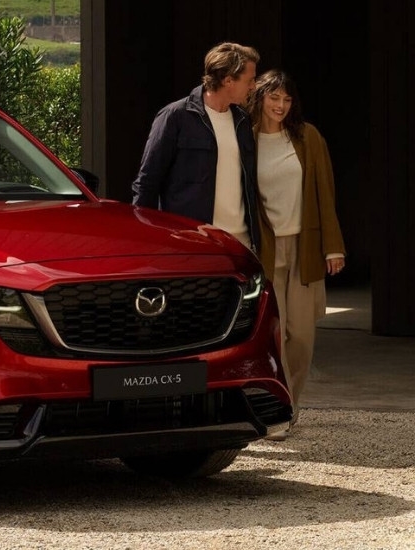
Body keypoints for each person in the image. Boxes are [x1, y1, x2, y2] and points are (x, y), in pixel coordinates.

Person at [250, 69, 346, 440]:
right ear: (260, 97)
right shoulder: (245, 139)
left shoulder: (308, 137)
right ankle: (280, 410)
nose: (280, 105)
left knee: (301, 336)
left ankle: (292, 401)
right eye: (274, 98)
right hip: (266, 248)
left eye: (287, 99)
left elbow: (325, 192)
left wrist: (333, 246)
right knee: (274, 334)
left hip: (305, 247)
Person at [131, 42, 264, 252]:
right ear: (228, 80)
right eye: (250, 80)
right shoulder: (175, 117)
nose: (254, 86)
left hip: (242, 244)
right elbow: (147, 183)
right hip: (193, 244)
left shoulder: (242, 120)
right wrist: (144, 241)